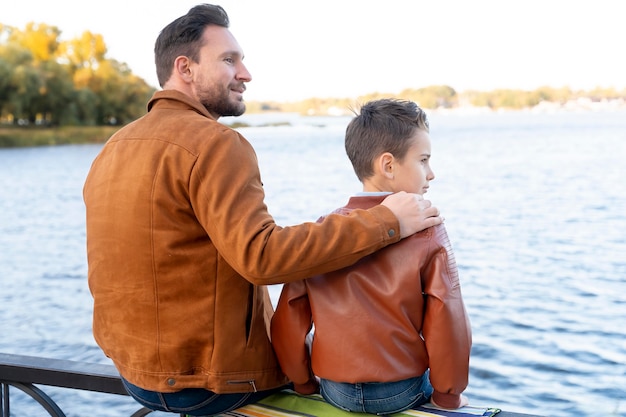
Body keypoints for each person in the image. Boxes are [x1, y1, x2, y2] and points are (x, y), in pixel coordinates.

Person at [82, 5, 442, 416]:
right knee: (351, 372)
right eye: (229, 60)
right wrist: (388, 221)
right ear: (185, 67)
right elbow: (263, 257)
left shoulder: (113, 147)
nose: (246, 74)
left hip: (136, 376)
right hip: (209, 384)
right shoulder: (217, 144)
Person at [271, 98, 472, 414]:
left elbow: (289, 317)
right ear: (389, 165)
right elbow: (447, 319)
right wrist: (448, 396)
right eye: (423, 160)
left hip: (335, 391)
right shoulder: (428, 229)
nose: (431, 173)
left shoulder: (324, 232)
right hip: (400, 390)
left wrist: (303, 384)